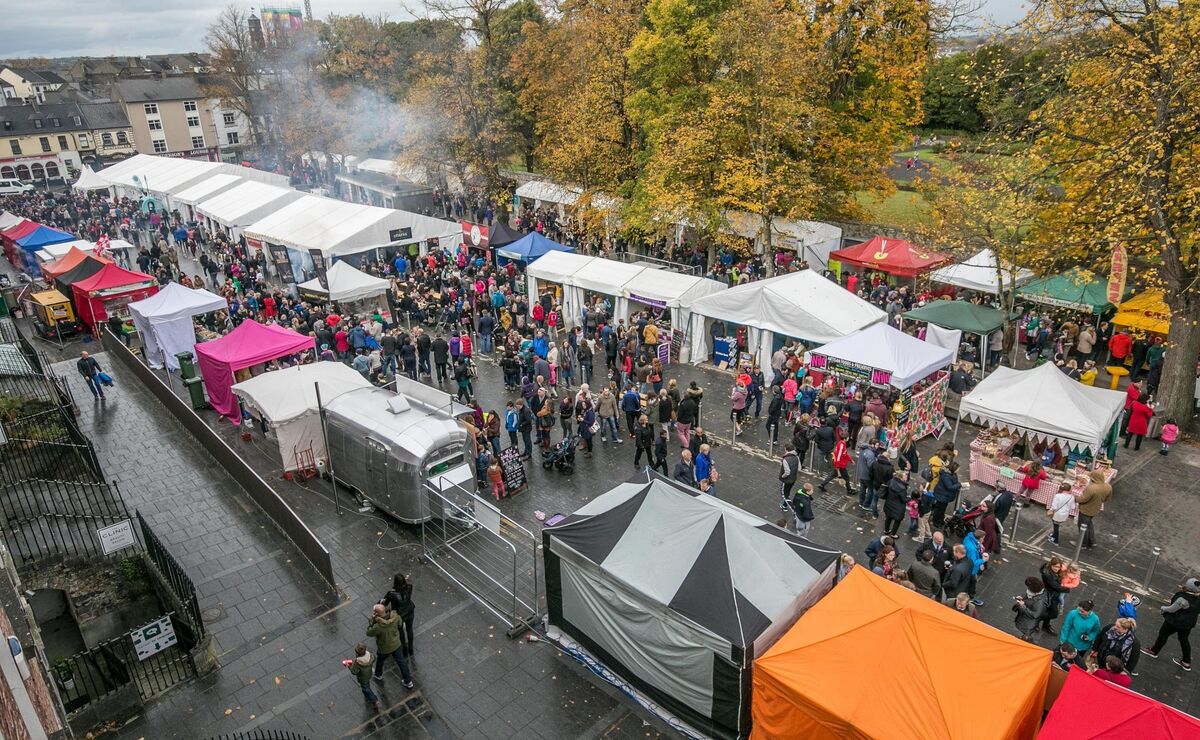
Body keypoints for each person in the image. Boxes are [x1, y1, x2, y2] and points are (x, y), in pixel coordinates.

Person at [1141, 577, 1199, 672]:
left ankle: (1154, 651)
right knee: (1184, 640)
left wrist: (1162, 607)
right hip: (1188, 623)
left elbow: (1172, 609)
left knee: (1163, 634)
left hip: (1175, 621)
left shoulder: (1182, 598)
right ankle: (1186, 662)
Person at [366, 604, 415, 688]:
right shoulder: (395, 617)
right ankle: (408, 681)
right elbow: (400, 625)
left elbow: (369, 633)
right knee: (402, 662)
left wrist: (372, 621)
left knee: (380, 660)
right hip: (396, 644)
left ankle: (378, 674)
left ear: (376, 613)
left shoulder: (378, 626)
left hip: (384, 648)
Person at [1074, 470, 1112, 549]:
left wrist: (1075, 498)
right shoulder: (1108, 486)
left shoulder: (1091, 488)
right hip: (1095, 509)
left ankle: (1083, 543)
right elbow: (1107, 498)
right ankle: (1091, 542)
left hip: (1086, 509)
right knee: (1089, 525)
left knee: (1083, 527)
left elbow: (1082, 499)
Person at [382, 573, 416, 657]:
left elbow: (385, 603)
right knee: (409, 630)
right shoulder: (409, 587)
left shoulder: (391, 593)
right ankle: (411, 649)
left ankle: (404, 650)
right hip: (410, 611)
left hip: (399, 615)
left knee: (401, 633)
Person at [344, 643, 381, 712]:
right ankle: (368, 696)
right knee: (367, 684)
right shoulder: (370, 655)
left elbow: (354, 671)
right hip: (369, 673)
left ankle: (374, 700)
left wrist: (348, 665)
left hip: (362, 678)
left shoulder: (358, 662)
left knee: (365, 688)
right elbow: (374, 658)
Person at [1013, 575, 1048, 641]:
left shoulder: (1040, 602)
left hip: (1027, 624)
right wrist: (1022, 599)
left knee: (1023, 637)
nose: (1027, 589)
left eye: (1028, 588)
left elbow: (1035, 615)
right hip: (1023, 620)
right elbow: (1028, 598)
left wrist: (1023, 606)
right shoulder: (1034, 592)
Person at [930, 461, 962, 527]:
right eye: (958, 469)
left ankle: (940, 520)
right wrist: (959, 485)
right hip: (942, 496)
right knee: (939, 510)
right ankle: (936, 522)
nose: (959, 470)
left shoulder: (951, 474)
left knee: (942, 509)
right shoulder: (946, 476)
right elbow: (950, 487)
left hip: (944, 496)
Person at [881, 469, 909, 537]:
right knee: (897, 520)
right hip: (898, 507)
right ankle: (893, 534)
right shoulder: (902, 488)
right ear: (901, 477)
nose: (906, 477)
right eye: (905, 476)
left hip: (889, 503)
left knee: (888, 517)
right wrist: (909, 498)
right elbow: (904, 499)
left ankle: (886, 530)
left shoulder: (891, 481)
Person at [778, 444, 800, 511]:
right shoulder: (797, 457)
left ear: (786, 449)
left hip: (786, 480)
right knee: (787, 492)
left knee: (784, 495)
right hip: (793, 479)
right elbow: (799, 468)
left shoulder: (785, 459)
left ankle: (794, 510)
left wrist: (782, 476)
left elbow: (787, 472)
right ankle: (784, 506)